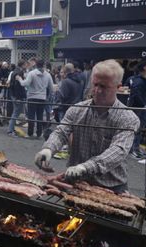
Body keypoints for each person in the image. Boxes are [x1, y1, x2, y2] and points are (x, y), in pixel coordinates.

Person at [34, 60, 140, 193]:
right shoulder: (76, 110)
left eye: (104, 86)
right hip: (76, 183)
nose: (97, 90)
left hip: (111, 187)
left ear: (118, 87)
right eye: (95, 84)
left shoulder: (128, 118)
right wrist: (48, 149)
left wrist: (85, 167)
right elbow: (61, 132)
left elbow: (118, 151)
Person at [16, 59, 54, 138]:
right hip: (42, 98)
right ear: (44, 65)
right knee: (40, 116)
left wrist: (19, 79)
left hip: (32, 97)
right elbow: (51, 88)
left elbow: (24, 84)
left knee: (31, 116)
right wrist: (47, 96)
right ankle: (39, 134)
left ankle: (30, 133)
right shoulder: (48, 74)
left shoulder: (32, 73)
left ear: (36, 65)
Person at [128, 60, 146, 159]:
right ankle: (133, 149)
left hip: (145, 108)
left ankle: (136, 148)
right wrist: (142, 105)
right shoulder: (139, 80)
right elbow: (136, 94)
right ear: (145, 68)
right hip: (140, 109)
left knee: (140, 130)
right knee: (137, 130)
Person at [7, 59, 28, 137]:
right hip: (17, 96)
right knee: (15, 113)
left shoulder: (15, 71)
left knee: (15, 113)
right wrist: (18, 97)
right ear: (23, 65)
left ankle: (11, 129)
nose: (26, 66)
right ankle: (10, 130)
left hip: (14, 95)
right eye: (26, 64)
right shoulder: (19, 72)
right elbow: (17, 86)